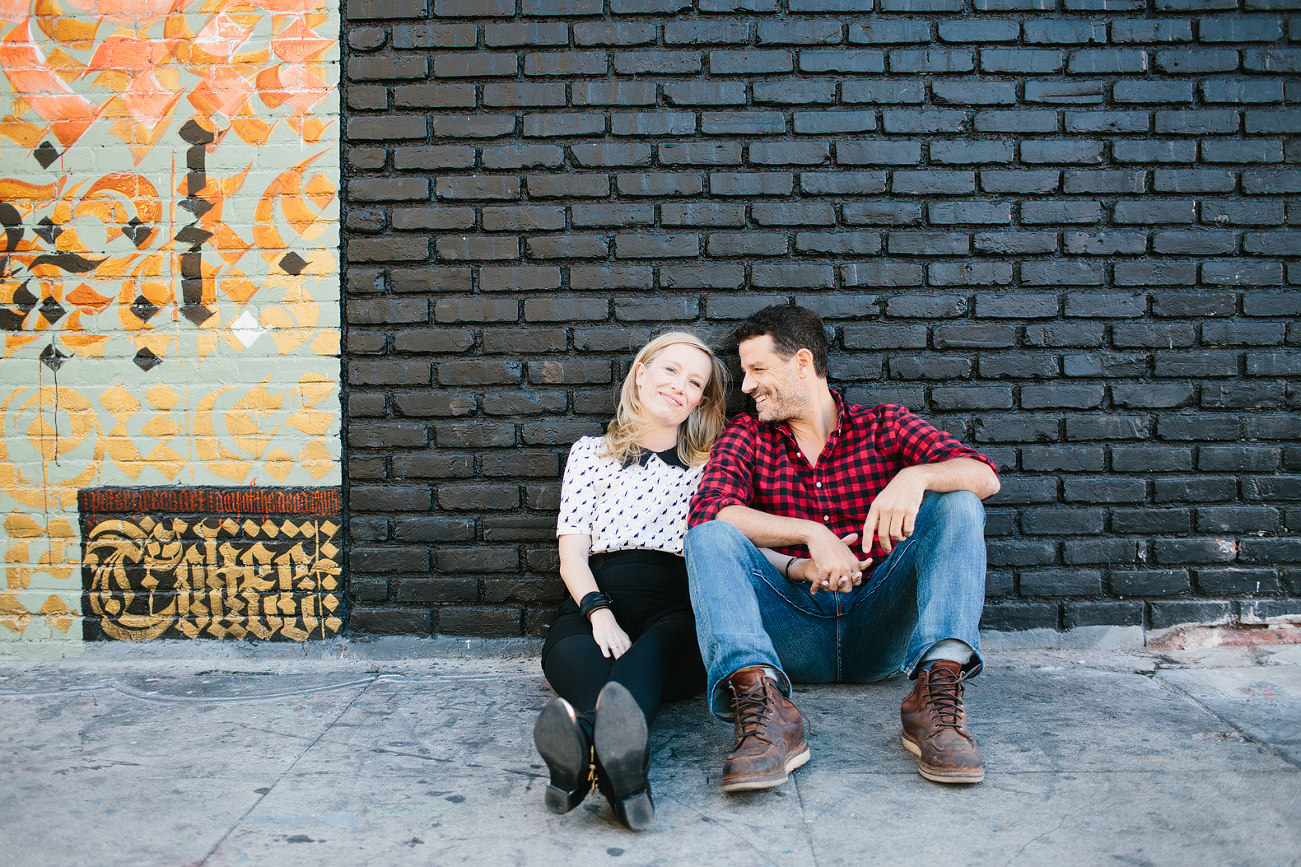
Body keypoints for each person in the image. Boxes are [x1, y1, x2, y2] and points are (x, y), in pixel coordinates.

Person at [684, 304, 1001, 792]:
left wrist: (916, 477)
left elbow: (984, 475)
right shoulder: (746, 436)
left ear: (803, 364)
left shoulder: (884, 425)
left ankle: (935, 698)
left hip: (880, 625)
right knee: (709, 536)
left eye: (757, 369)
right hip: (792, 630)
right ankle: (766, 713)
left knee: (959, 504)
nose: (746, 386)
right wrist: (813, 537)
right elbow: (711, 511)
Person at [534, 331, 728, 831]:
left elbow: (739, 535)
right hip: (594, 604)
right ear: (641, 372)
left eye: (695, 382)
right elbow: (572, 553)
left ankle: (579, 766)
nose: (679, 386)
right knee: (580, 664)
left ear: (701, 400)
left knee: (653, 656)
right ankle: (627, 784)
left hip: (675, 612)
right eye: (670, 370)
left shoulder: (712, 465)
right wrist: (599, 615)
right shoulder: (590, 453)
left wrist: (800, 562)